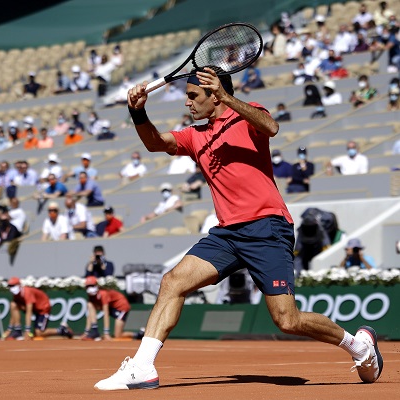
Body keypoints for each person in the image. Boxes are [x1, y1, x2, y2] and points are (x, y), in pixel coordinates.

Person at [92, 67, 383, 390]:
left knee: (287, 320)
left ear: (213, 94)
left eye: (193, 96)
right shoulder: (195, 135)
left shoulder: (248, 115)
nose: (188, 104)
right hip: (227, 234)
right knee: (173, 282)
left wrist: (227, 97)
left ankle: (360, 346)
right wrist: (137, 111)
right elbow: (155, 143)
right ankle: (143, 366)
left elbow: (271, 127)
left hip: (267, 228)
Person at [2, 277, 73, 340]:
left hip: (43, 308)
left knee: (39, 333)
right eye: (10, 286)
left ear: (19, 285)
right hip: (35, 308)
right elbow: (13, 312)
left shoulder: (27, 292)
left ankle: (62, 330)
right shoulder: (16, 295)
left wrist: (27, 331)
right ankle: (17, 331)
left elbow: (29, 312)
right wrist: (9, 329)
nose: (11, 288)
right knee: (13, 305)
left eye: (13, 286)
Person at [83, 276, 144, 341]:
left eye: (92, 286)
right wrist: (86, 332)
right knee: (90, 305)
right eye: (88, 286)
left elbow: (106, 313)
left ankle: (138, 334)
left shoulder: (103, 294)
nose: (90, 288)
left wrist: (106, 333)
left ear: (97, 286)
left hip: (121, 307)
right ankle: (95, 331)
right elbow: (90, 314)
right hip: (112, 307)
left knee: (117, 335)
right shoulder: (91, 297)